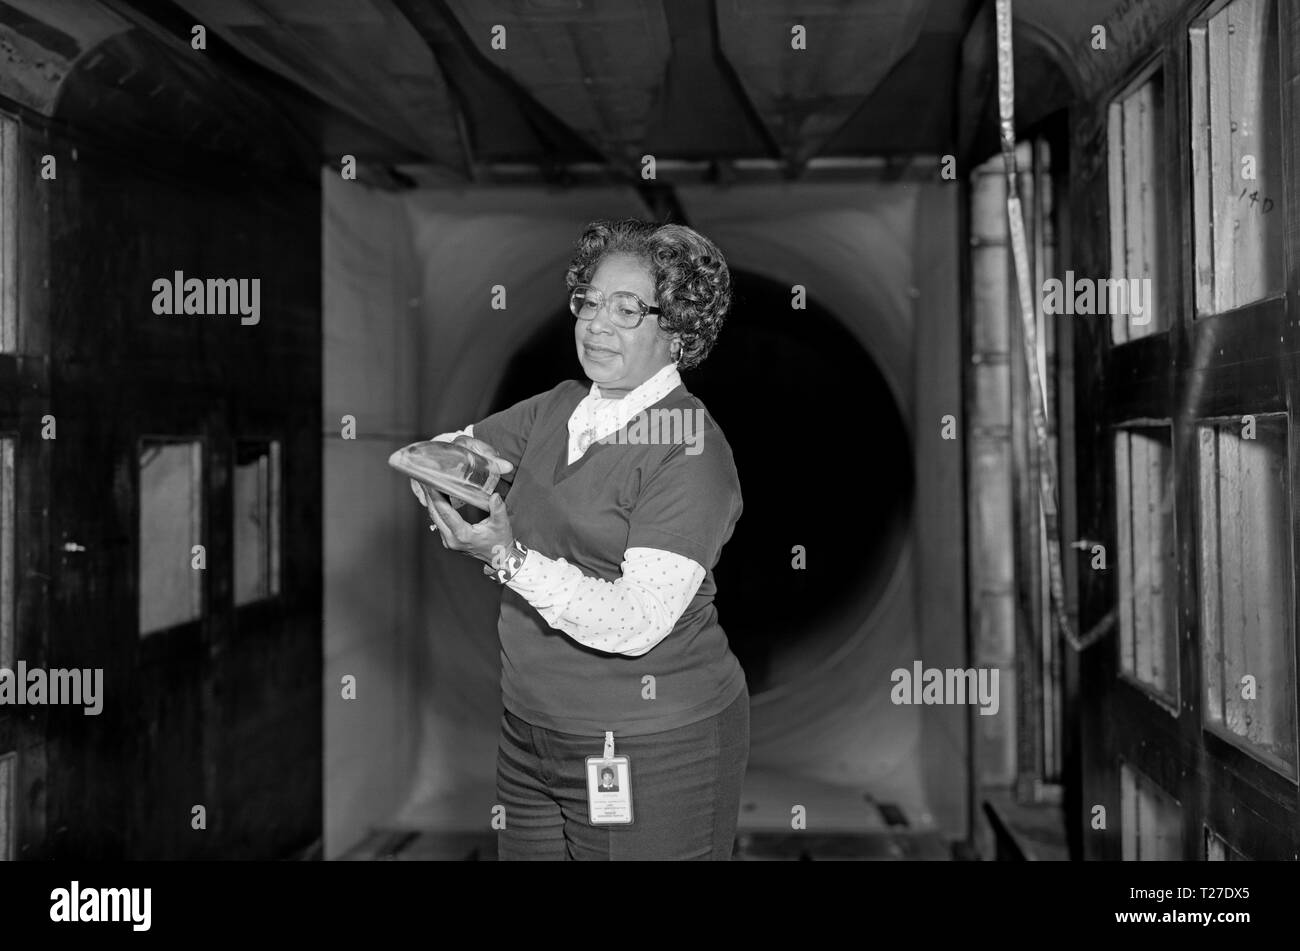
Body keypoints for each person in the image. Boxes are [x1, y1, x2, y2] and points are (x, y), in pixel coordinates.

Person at [413, 217, 747, 861]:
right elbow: (460, 450)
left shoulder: (689, 448)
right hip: (530, 733)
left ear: (677, 329)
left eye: (627, 309)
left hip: (654, 743)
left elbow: (637, 620)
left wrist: (506, 557)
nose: (596, 323)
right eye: (589, 301)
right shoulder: (558, 407)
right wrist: (443, 470)